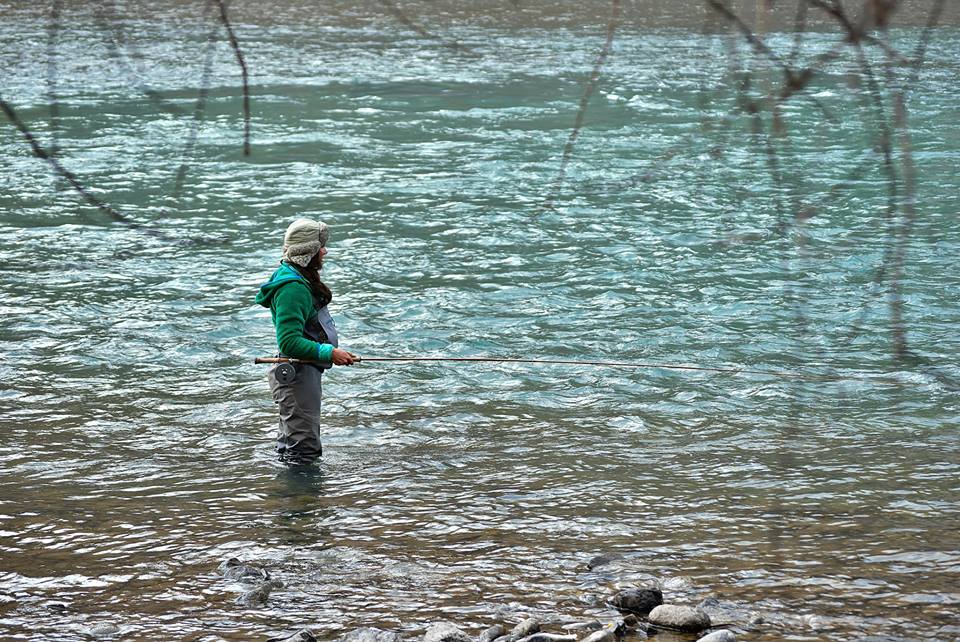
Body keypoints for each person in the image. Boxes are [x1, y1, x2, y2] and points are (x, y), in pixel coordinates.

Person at [255, 218, 356, 465]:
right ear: (307, 252)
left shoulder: (296, 277)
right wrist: (329, 352)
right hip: (297, 376)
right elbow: (289, 342)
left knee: (293, 442)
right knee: (304, 449)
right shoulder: (293, 288)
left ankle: (293, 498)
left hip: (303, 372)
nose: (325, 251)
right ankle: (301, 501)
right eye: (320, 246)